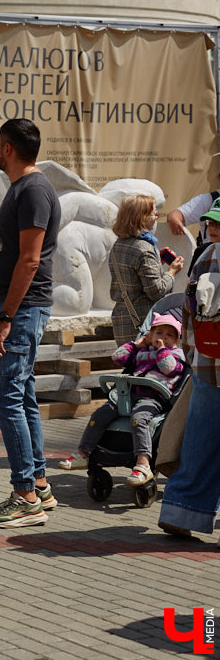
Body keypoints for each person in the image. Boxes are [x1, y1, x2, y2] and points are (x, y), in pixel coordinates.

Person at [0, 117, 62, 529]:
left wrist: (6, 319)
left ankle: (25, 496)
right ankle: (40, 484)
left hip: (22, 308)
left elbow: (30, 260)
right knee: (22, 394)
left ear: (7, 148)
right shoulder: (24, 187)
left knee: (4, 396)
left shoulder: (33, 189)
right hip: (18, 307)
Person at [57, 314, 186, 485]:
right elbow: (118, 358)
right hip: (129, 395)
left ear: (176, 339)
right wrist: (136, 344)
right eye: (159, 333)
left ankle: (143, 463)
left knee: (139, 419)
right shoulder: (142, 352)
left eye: (169, 335)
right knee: (100, 414)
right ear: (149, 335)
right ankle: (83, 453)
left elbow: (169, 369)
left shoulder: (176, 354)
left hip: (153, 398)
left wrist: (162, 350)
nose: (163, 337)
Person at [158, 210, 220, 540]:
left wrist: (193, 356)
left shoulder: (206, 255)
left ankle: (181, 511)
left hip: (208, 364)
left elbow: (188, 310)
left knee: (201, 441)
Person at [108, 194, 183, 345]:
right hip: (142, 324)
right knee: (146, 367)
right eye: (154, 213)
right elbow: (156, 291)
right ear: (142, 218)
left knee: (129, 365)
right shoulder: (144, 249)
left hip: (122, 319)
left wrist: (156, 263)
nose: (156, 217)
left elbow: (131, 275)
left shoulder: (119, 244)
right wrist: (172, 272)